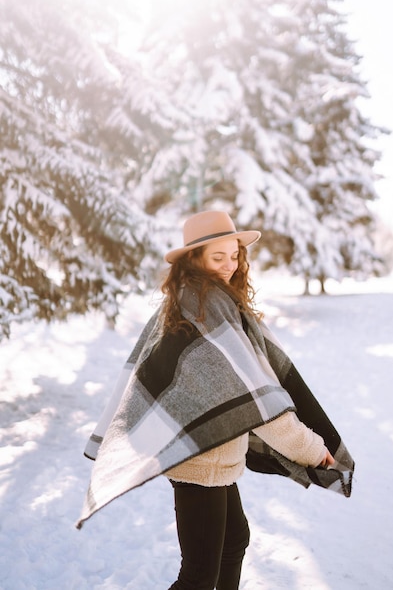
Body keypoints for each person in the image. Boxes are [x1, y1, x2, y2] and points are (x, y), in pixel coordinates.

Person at [77, 211, 354, 590]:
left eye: (234, 254)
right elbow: (258, 403)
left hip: (214, 457)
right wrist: (310, 448)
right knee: (198, 575)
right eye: (217, 257)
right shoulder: (204, 309)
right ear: (195, 260)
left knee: (233, 543)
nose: (229, 265)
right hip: (198, 463)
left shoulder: (203, 301)